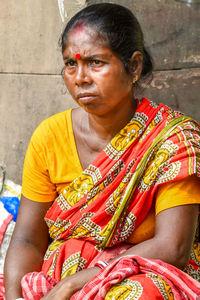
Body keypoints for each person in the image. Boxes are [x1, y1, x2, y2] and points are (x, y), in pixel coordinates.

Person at [3, 3, 200, 299]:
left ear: (133, 66)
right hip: (60, 276)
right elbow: (29, 239)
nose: (80, 77)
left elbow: (173, 247)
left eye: (95, 63)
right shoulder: (49, 136)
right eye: (71, 64)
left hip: (142, 273)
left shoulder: (173, 140)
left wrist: (73, 285)